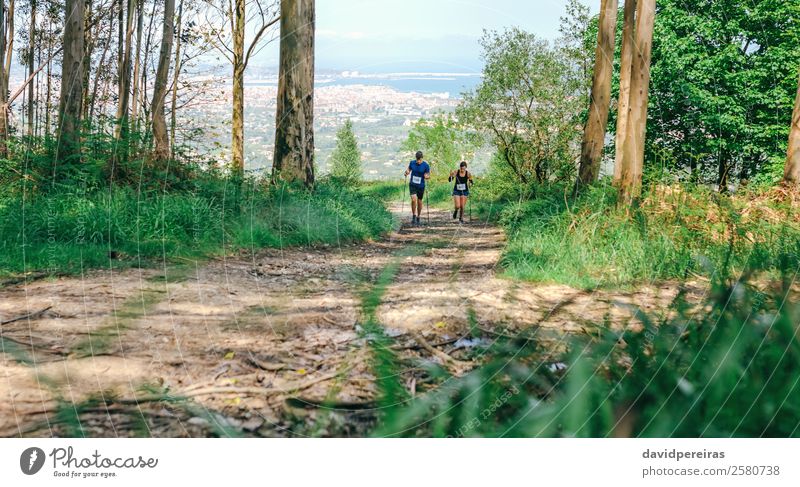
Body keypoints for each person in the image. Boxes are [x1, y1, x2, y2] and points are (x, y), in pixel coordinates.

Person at [404, 151, 431, 225]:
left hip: (421, 186)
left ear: (422, 158)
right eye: (417, 159)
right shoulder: (412, 163)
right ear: (416, 158)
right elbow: (409, 170)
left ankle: (419, 216)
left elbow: (428, 175)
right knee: (413, 199)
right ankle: (414, 215)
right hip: (412, 184)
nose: (418, 161)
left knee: (419, 201)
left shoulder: (426, 165)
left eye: (420, 160)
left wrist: (427, 176)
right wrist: (406, 172)